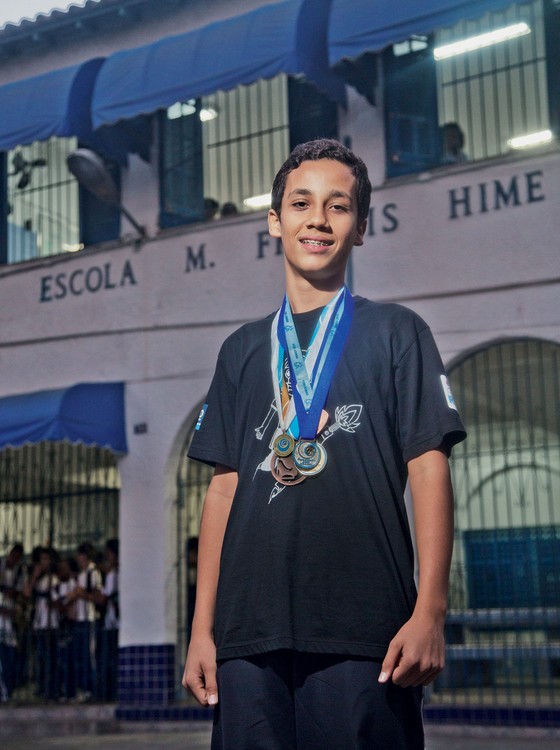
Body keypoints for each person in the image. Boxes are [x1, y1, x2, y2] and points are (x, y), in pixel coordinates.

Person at [182, 138, 466, 749]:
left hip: (366, 631)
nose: (317, 219)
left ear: (362, 227)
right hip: (246, 636)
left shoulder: (396, 334)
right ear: (274, 221)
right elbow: (222, 492)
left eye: (338, 207)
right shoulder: (242, 350)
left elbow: (428, 468)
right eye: (300, 203)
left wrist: (431, 611)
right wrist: (202, 629)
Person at [65, 542, 102, 702]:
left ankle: (90, 690)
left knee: (88, 656)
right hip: (79, 619)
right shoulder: (80, 575)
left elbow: (98, 598)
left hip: (89, 618)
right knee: (79, 656)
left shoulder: (93, 573)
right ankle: (82, 689)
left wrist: (81, 595)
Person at [0, 543, 26, 701]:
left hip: (9, 624)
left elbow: (22, 596)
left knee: (9, 659)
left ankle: (7, 691)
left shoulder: (20, 573)